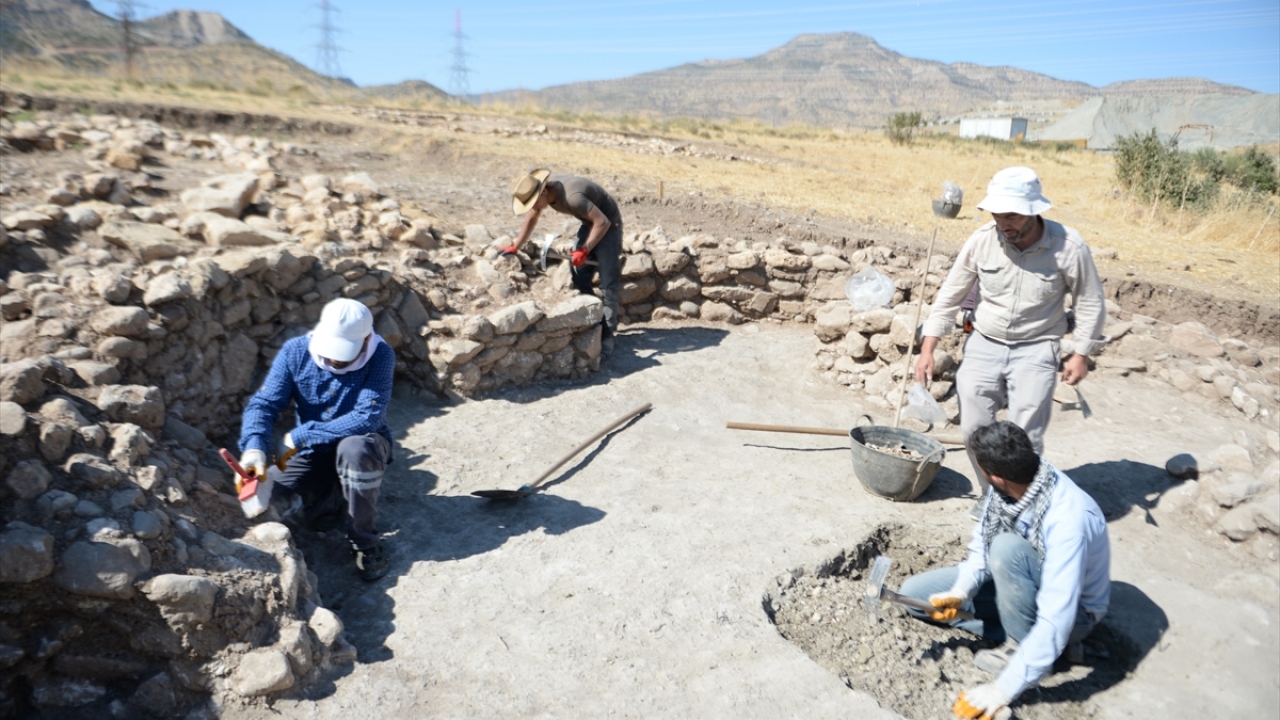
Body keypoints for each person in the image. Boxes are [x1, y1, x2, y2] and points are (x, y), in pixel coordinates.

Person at [914, 166, 1105, 510]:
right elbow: (950, 295)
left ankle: (1021, 504)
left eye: (1013, 215)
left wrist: (1081, 353)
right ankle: (991, 499)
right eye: (997, 214)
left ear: (1035, 211)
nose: (1004, 223)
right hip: (985, 342)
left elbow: (1090, 300)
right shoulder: (982, 241)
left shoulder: (1068, 247)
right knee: (975, 429)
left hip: (1037, 345)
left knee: (1025, 436)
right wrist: (928, 348)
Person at [898, 421, 1111, 720]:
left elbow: (1056, 615)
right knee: (916, 596)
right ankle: (1044, 647)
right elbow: (980, 553)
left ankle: (1024, 651)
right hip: (1020, 584)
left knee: (1007, 549)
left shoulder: (1068, 520)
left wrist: (1001, 691)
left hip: (1075, 613)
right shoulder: (1006, 492)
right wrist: (961, 591)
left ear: (995, 477)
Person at [237, 298, 396, 582]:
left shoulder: (380, 355)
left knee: (354, 450)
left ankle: (365, 540)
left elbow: (367, 416)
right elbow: (264, 404)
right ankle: (330, 497)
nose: (336, 359)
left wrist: (300, 434)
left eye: (345, 352)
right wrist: (254, 449)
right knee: (268, 495)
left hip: (364, 445)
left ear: (367, 338)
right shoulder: (296, 352)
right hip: (312, 453)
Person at [503, 169, 623, 358]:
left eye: (534, 203)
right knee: (579, 274)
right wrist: (515, 246)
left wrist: (584, 250)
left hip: (608, 224)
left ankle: (608, 335)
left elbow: (602, 222)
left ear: (543, 192)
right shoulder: (544, 194)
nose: (534, 208)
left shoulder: (573, 197)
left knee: (608, 281)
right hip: (589, 222)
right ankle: (595, 321)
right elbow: (533, 216)